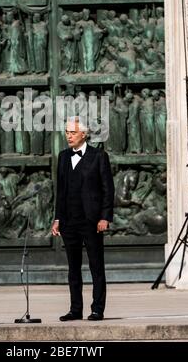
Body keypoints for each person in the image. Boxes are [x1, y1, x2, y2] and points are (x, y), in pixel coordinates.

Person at [52, 116, 114, 321]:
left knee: (96, 266)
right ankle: (75, 309)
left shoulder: (99, 156)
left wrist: (105, 217)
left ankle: (97, 308)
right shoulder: (62, 157)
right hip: (69, 221)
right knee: (73, 268)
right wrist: (57, 218)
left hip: (91, 220)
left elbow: (108, 189)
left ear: (83, 134)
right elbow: (60, 191)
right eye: (67, 132)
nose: (68, 136)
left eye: (72, 132)